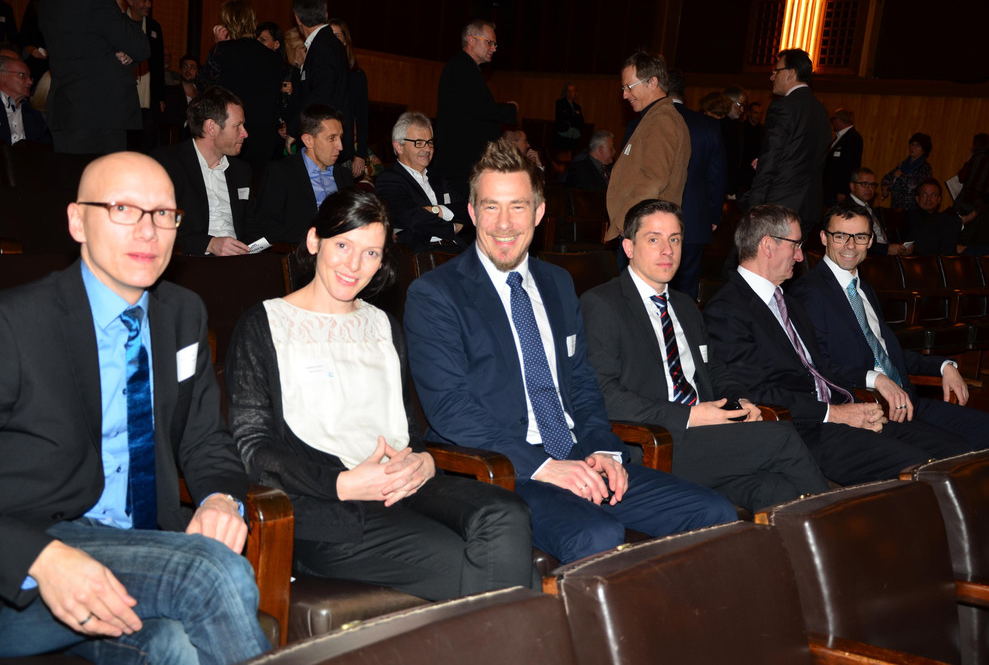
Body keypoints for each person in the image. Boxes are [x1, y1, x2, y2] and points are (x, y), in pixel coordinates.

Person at [404, 140, 735, 565]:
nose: (504, 223)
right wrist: (544, 467)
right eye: (491, 207)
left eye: (518, 207)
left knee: (713, 512)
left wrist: (604, 451)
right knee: (598, 534)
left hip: (580, 455)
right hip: (503, 470)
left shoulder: (558, 284)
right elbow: (451, 410)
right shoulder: (435, 294)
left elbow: (582, 384)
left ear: (539, 213)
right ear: (471, 212)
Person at [0, 151, 269, 662]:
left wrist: (218, 499)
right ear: (77, 221)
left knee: (173, 645)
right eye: (122, 209)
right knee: (208, 573)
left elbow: (205, 438)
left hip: (141, 551)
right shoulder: (15, 323)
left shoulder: (182, 313)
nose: (148, 231)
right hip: (26, 566)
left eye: (163, 213)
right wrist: (41, 557)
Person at [227, 188, 535, 600]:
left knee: (507, 511)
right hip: (328, 508)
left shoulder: (385, 326)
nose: (354, 265)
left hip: (402, 488)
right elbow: (252, 449)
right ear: (314, 240)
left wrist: (424, 460)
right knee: (498, 570)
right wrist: (342, 483)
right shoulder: (263, 325)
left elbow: (407, 429)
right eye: (343, 245)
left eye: (371, 253)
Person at [581, 199, 828, 513]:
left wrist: (739, 400)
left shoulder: (685, 306)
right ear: (629, 247)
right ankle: (839, 527)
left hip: (707, 439)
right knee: (782, 438)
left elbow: (714, 369)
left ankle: (814, 540)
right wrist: (690, 416)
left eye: (675, 240)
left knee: (774, 490)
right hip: (656, 441)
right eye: (654, 239)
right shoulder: (603, 304)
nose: (667, 250)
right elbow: (604, 394)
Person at [702, 204, 971, 486]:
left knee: (957, 453)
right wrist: (835, 413)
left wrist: (857, 402)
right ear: (768, 246)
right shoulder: (727, 310)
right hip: (803, 430)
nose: (800, 256)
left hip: (842, 411)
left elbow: (822, 367)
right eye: (795, 245)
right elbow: (754, 393)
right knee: (923, 468)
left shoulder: (788, 303)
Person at [789, 203, 989, 451]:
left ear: (870, 241)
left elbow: (886, 353)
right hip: (871, 409)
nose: (850, 245)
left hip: (909, 402)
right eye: (840, 236)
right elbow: (817, 366)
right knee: (961, 453)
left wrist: (943, 366)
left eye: (860, 237)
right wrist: (877, 379)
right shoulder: (808, 293)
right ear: (824, 237)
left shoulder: (863, 289)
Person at [38, 0, 150, 154]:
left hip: (64, 109)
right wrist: (119, 7)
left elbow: (88, 41)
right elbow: (141, 48)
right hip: (100, 113)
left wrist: (120, 49)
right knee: (103, 172)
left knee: (68, 170)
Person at [151, 86, 255, 256]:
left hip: (239, 261)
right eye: (237, 126)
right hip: (192, 260)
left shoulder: (241, 171)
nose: (245, 133)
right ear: (211, 127)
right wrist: (209, 244)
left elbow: (251, 225)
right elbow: (156, 225)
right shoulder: (168, 164)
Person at [606, 50, 690, 260]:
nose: (625, 95)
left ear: (653, 82)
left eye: (629, 87)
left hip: (643, 231)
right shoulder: (655, 117)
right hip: (642, 229)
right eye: (623, 88)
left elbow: (652, 179)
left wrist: (625, 222)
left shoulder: (661, 120)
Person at [739, 48, 831, 237]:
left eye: (776, 71)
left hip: (780, 206)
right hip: (810, 206)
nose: (772, 77)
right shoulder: (821, 110)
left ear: (790, 73)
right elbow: (802, 155)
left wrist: (754, 206)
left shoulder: (783, 107)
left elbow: (771, 156)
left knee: (754, 254)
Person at [434, 19, 518, 200]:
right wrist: (510, 109)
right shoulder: (461, 68)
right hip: (461, 162)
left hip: (464, 161)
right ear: (471, 40)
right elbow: (480, 109)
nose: (494, 48)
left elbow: (475, 107)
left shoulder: (465, 67)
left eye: (495, 44)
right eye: (489, 43)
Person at [251, 104, 355, 245]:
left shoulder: (344, 175)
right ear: (308, 140)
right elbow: (266, 226)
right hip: (300, 251)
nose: (340, 146)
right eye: (332, 138)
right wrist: (316, 238)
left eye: (340, 137)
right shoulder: (281, 172)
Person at [201, 0, 287, 166]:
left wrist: (219, 46)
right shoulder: (274, 58)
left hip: (229, 134)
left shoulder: (223, 50)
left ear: (228, 23)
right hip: (264, 137)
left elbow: (204, 86)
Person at [666, 69, 726, 298]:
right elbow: (716, 176)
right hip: (694, 218)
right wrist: (713, 216)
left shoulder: (644, 122)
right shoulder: (707, 125)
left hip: (651, 220)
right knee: (686, 291)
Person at [375, 111, 471, 253]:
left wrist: (437, 210)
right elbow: (413, 219)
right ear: (399, 147)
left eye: (430, 142)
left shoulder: (438, 177)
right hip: (422, 255)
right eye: (419, 143)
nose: (427, 149)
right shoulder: (389, 179)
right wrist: (452, 227)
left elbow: (468, 209)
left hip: (456, 249)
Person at [289, 0, 348, 138]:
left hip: (321, 135)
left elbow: (319, 96)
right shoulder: (327, 42)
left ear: (297, 18)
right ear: (325, 14)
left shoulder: (322, 46)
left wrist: (295, 130)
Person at [124, 0, 164, 152]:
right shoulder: (119, 24)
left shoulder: (154, 27)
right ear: (130, 0)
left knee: (148, 139)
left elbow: (159, 63)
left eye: (149, 0)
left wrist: (160, 97)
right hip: (125, 92)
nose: (148, 5)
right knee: (127, 140)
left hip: (149, 93)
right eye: (143, 1)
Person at [329, 19, 369, 179]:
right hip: (319, 148)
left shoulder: (356, 76)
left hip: (344, 151)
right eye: (329, 36)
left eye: (337, 36)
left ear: (345, 41)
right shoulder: (321, 72)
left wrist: (361, 154)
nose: (332, 40)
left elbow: (362, 116)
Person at [846, 167, 907, 257]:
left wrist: (899, 248)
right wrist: (887, 249)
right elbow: (858, 243)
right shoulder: (847, 209)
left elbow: (882, 237)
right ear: (852, 186)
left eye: (873, 185)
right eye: (864, 184)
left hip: (883, 257)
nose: (870, 188)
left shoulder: (871, 208)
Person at [900, 179, 962, 255]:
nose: (929, 199)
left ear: (939, 199)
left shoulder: (943, 218)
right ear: (917, 198)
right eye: (925, 195)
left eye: (933, 195)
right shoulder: (909, 217)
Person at [0, 56, 49, 145]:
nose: (30, 82)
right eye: (22, 75)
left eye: (30, 77)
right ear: (2, 76)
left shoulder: (35, 116)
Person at [954, 133, 989, 214]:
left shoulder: (975, 158)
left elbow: (962, 177)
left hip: (971, 200)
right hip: (988, 201)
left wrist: (969, 157)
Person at [881, 133, 933, 210]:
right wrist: (885, 186)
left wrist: (900, 177)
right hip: (896, 207)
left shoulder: (925, 168)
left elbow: (917, 185)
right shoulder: (903, 164)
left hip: (912, 209)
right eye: (912, 144)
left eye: (917, 145)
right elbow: (888, 177)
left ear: (924, 150)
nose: (913, 147)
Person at [822, 108, 862, 206]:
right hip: (830, 189)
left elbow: (851, 166)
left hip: (838, 192)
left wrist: (843, 191)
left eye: (833, 120)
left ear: (839, 120)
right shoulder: (840, 137)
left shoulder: (853, 137)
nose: (832, 123)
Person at [160, 54, 199, 142]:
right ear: (180, 71)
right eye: (185, 67)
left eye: (192, 67)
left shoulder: (202, 95)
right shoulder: (170, 92)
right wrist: (186, 123)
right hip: (177, 139)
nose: (188, 70)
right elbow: (166, 117)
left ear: (197, 72)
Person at [554, 82, 583, 152]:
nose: (570, 93)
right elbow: (563, 117)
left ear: (575, 93)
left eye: (572, 91)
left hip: (575, 136)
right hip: (563, 134)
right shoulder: (560, 103)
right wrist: (573, 120)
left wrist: (573, 121)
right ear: (565, 92)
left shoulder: (577, 107)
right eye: (568, 91)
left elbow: (581, 121)